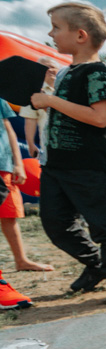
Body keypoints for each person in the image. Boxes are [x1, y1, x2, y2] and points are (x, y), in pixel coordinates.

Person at [30, 2, 106, 303]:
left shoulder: (97, 73)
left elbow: (100, 117)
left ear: (80, 35)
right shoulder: (64, 73)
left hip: (89, 164)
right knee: (56, 224)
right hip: (56, 165)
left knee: (105, 222)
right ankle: (96, 264)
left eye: (56, 28)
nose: (51, 34)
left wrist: (51, 102)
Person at [0, 99, 52, 273]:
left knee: (9, 214)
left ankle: (21, 261)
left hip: (4, 165)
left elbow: (9, 129)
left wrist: (18, 163)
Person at [19, 56, 62, 165]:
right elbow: (30, 120)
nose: (50, 70)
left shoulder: (66, 90)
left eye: (52, 67)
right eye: (45, 67)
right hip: (49, 147)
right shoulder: (35, 92)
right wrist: (31, 144)